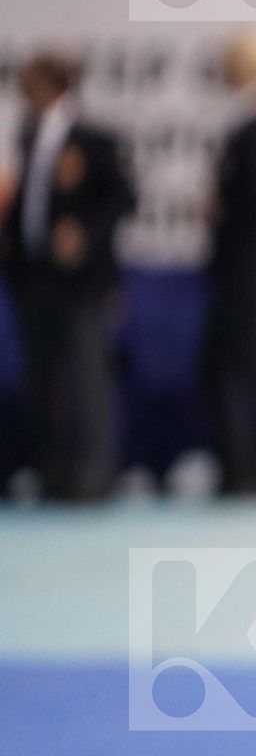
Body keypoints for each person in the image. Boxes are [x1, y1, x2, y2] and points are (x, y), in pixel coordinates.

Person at [0, 53, 136, 503]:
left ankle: (95, 476)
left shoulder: (93, 138)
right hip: (32, 277)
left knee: (88, 377)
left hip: (80, 282)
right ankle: (51, 472)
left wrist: (85, 234)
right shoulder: (27, 134)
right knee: (40, 379)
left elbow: (122, 198)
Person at [201, 30, 256, 496]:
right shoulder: (250, 126)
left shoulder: (251, 129)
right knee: (237, 365)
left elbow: (251, 201)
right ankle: (246, 467)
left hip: (246, 265)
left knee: (244, 366)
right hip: (246, 263)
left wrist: (220, 210)